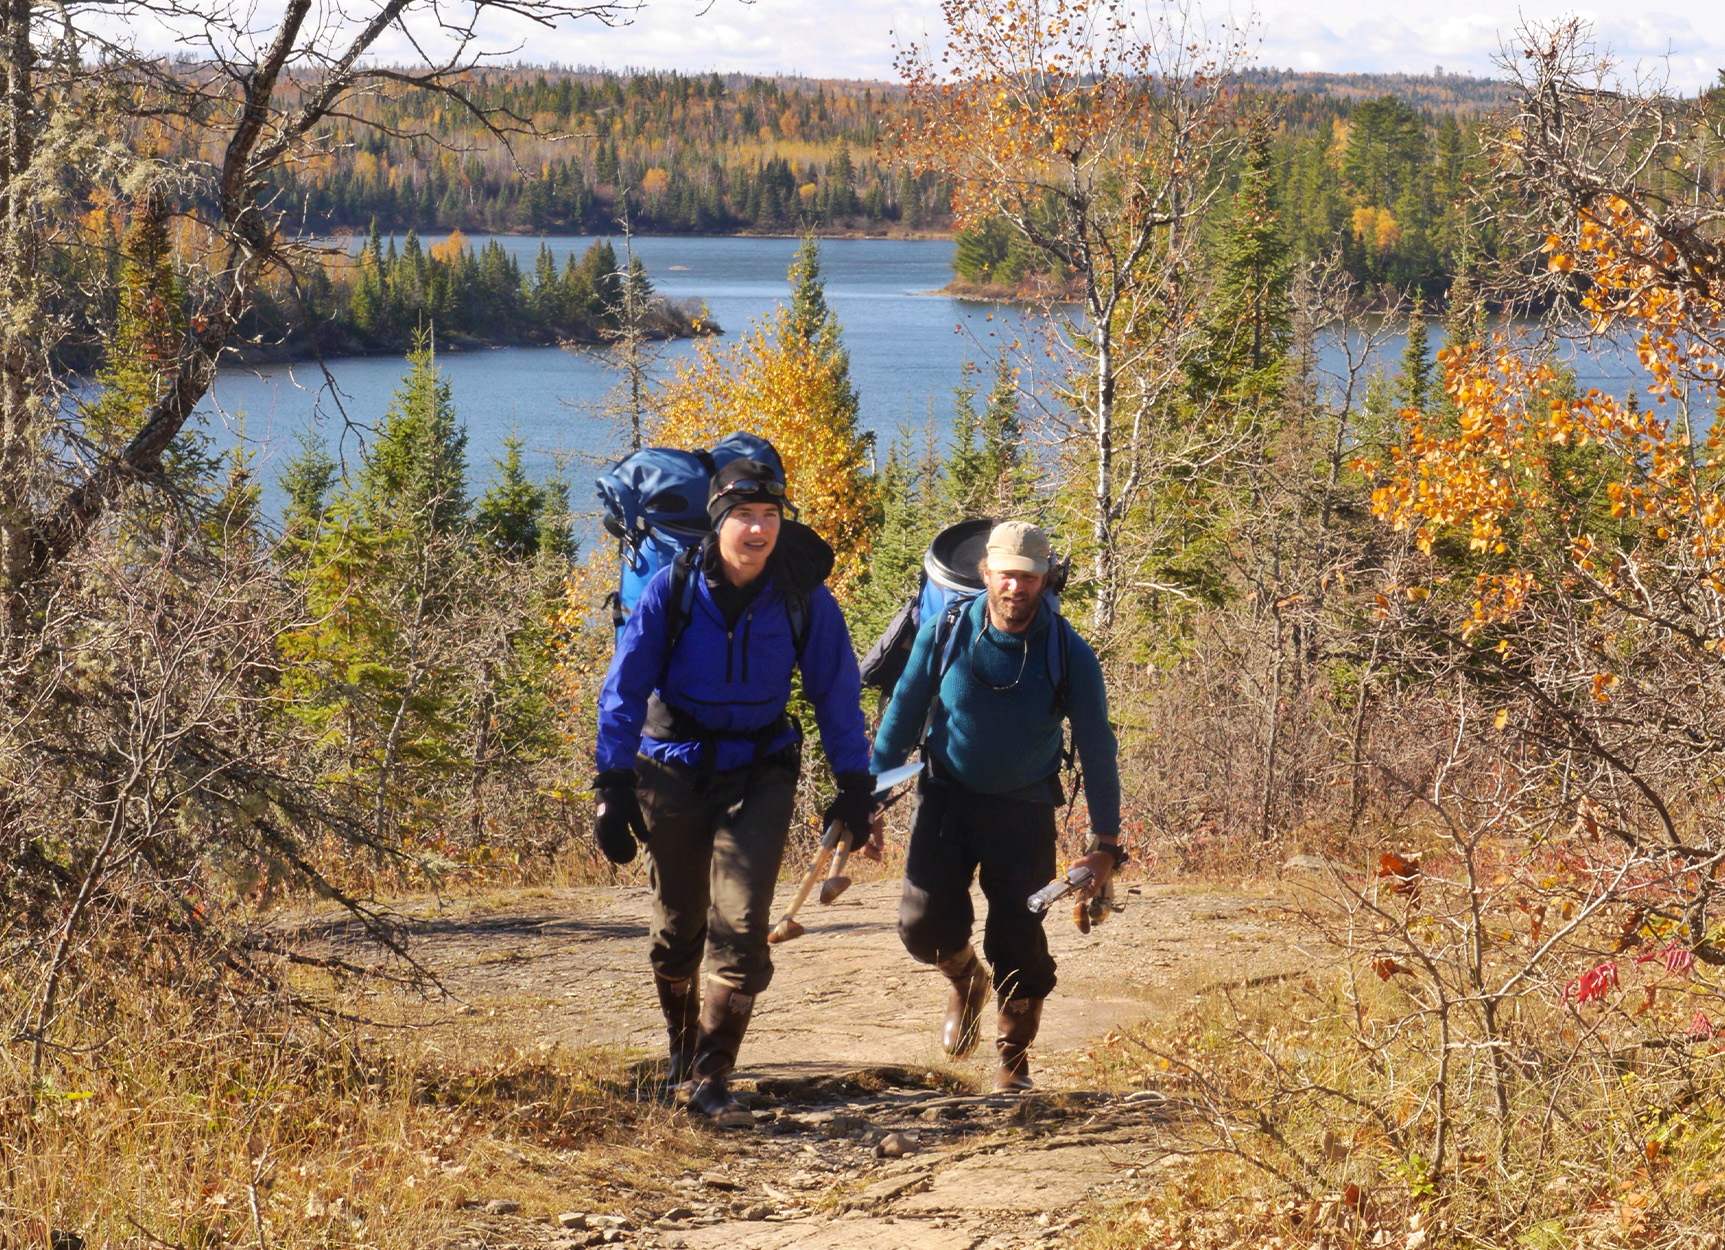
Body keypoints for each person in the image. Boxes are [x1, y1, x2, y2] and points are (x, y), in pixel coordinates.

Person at [592, 453, 878, 1126]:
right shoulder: (673, 588)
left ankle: (713, 1076)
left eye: (769, 517)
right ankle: (681, 1048)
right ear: (716, 522)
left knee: (743, 927)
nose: (757, 531)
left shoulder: (803, 596)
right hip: (672, 767)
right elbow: (624, 688)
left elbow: (835, 692)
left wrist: (855, 783)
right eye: (744, 517)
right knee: (678, 928)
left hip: (761, 769)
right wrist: (611, 781)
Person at [871, 520, 1122, 1091]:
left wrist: (1105, 843)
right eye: (1006, 574)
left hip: (1024, 808)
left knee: (1018, 937)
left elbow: (1098, 744)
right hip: (945, 797)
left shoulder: (1068, 652)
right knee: (922, 925)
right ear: (985, 574)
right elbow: (902, 717)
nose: (1016, 587)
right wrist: (870, 801)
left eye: (1029, 576)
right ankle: (965, 981)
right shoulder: (946, 631)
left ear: (1045, 580)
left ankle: (1013, 1062)